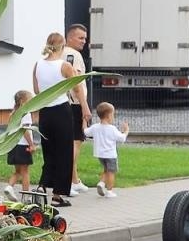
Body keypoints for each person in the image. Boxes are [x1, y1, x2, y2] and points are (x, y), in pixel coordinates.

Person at [33, 32, 79, 207]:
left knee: (49, 151)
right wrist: (85, 108)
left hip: (45, 111)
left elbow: (37, 90)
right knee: (64, 152)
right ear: (63, 45)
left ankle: (42, 186)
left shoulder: (38, 65)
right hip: (61, 111)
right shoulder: (65, 66)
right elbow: (77, 87)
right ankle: (58, 195)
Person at [62, 24, 92, 195]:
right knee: (76, 142)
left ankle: (75, 179)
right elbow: (76, 82)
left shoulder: (60, 54)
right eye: (80, 38)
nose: (84, 41)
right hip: (75, 103)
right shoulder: (74, 55)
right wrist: (84, 106)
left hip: (62, 103)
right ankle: (67, 180)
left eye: (85, 38)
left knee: (70, 142)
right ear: (70, 37)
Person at [84, 102, 130, 198]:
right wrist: (126, 131)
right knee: (111, 172)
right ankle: (109, 191)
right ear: (109, 116)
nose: (113, 117)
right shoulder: (112, 129)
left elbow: (86, 132)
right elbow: (122, 138)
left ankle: (101, 183)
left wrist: (84, 121)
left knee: (106, 169)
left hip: (100, 154)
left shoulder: (95, 127)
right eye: (113, 114)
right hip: (110, 155)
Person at [4, 89, 35, 202]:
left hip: (13, 145)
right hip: (23, 145)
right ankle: (26, 196)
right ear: (22, 101)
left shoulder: (13, 113)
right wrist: (31, 144)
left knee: (18, 171)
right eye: (30, 100)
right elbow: (25, 130)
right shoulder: (25, 113)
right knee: (25, 171)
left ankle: (9, 187)